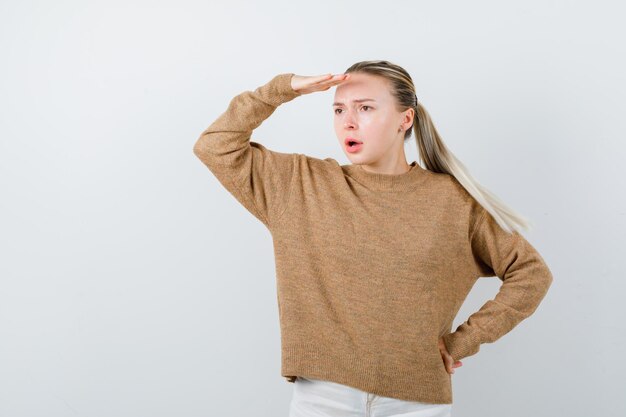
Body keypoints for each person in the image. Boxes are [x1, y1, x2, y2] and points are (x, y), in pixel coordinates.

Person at [193, 60, 553, 417]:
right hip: (322, 398)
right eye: (338, 109)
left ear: (405, 119)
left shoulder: (454, 202)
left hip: (417, 403)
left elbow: (531, 273)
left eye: (365, 108)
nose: (348, 121)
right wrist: (283, 88)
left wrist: (465, 341)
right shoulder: (300, 184)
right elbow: (215, 146)